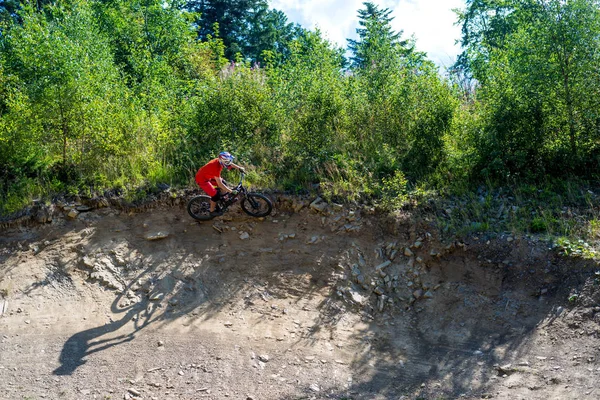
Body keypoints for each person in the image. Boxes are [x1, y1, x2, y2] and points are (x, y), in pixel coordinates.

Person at [195, 151, 245, 216]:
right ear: (223, 161)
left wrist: (239, 168)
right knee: (215, 196)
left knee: (224, 182)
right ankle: (212, 211)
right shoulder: (216, 167)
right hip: (202, 179)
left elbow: (229, 163)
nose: (228, 163)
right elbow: (220, 184)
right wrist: (231, 191)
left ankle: (225, 199)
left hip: (208, 175)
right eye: (227, 162)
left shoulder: (220, 161)